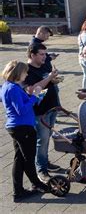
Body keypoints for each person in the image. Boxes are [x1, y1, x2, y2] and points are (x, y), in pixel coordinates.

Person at [1, 61, 50, 202]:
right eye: (25, 72)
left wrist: (28, 96)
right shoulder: (13, 89)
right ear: (18, 73)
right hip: (22, 128)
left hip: (16, 127)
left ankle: (18, 191)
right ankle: (37, 184)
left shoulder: (7, 86)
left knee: (19, 159)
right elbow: (21, 110)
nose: (27, 74)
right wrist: (34, 96)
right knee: (28, 159)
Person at [24, 43, 61, 183]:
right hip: (40, 112)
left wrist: (54, 79)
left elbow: (48, 82)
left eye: (45, 54)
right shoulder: (26, 70)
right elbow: (32, 89)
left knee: (47, 138)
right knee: (42, 140)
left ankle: (45, 162)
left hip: (52, 108)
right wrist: (50, 77)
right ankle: (41, 170)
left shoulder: (44, 64)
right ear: (32, 55)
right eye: (41, 54)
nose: (45, 57)